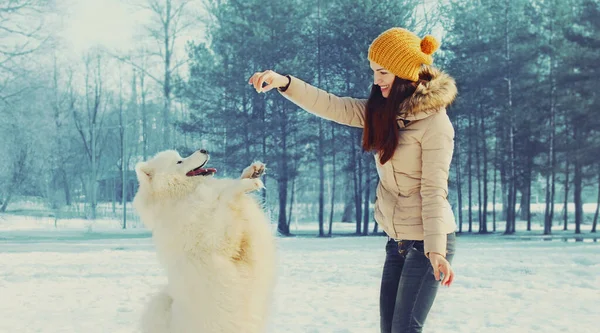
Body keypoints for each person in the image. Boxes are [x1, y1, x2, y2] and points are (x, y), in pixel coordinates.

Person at [248, 27, 458, 333]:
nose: (377, 80)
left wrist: (436, 251)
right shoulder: (383, 112)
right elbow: (331, 105)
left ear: (404, 72)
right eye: (373, 71)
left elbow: (434, 191)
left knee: (405, 329)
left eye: (383, 72)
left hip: (430, 241)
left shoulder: (436, 124)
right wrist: (284, 82)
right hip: (397, 241)